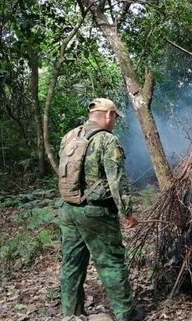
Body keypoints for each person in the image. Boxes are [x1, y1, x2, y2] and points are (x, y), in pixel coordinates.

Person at [58, 98, 144, 321]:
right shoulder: (107, 140)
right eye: (114, 117)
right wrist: (128, 213)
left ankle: (71, 313)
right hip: (96, 212)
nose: (114, 121)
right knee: (111, 262)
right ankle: (126, 313)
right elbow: (116, 182)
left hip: (68, 208)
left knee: (72, 263)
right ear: (108, 115)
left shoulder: (70, 136)